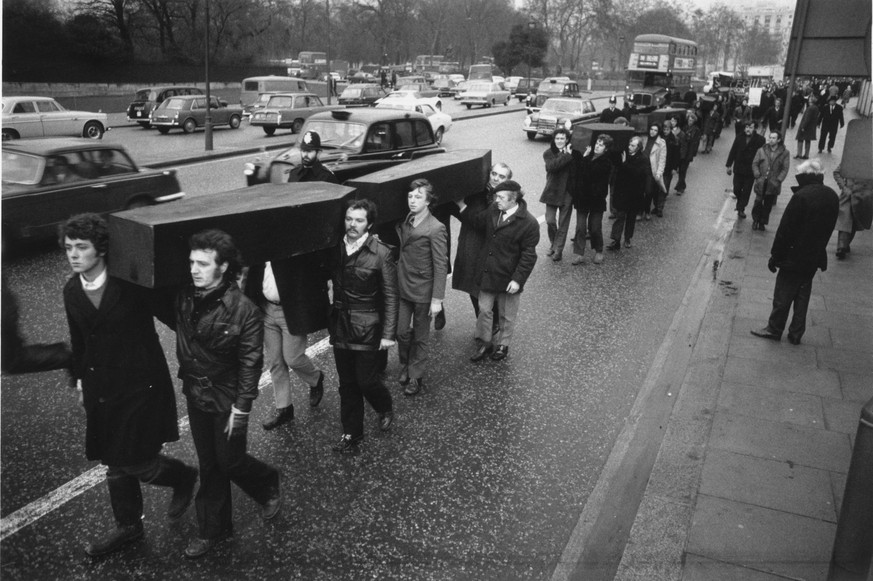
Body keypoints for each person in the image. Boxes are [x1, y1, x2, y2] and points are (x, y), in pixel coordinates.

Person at [60, 213, 197, 558]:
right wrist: (79, 383)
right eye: (68, 248)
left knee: (137, 461)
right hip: (101, 388)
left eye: (81, 247)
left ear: (101, 249)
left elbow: (174, 316)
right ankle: (129, 526)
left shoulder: (130, 283)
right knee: (114, 461)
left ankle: (182, 477)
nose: (73, 254)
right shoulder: (71, 290)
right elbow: (79, 341)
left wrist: (202, 350)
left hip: (141, 385)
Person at [176, 229, 281, 559]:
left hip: (227, 397)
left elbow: (251, 361)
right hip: (196, 392)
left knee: (230, 461)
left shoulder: (244, 309)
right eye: (192, 262)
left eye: (203, 264)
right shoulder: (184, 297)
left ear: (221, 268)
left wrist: (243, 406)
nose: (194, 269)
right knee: (209, 464)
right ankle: (212, 529)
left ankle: (266, 482)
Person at [246, 130, 335, 431]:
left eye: (312, 151)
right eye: (304, 150)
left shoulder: (326, 178)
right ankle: (284, 409)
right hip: (268, 307)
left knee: (293, 357)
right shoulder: (295, 175)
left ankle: (316, 378)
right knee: (275, 363)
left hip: (290, 306)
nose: (307, 156)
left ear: (318, 152)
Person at [328, 199, 398, 453]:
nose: (352, 225)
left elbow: (391, 295)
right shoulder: (335, 247)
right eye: (349, 219)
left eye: (358, 220)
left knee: (366, 381)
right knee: (347, 384)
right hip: (341, 327)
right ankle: (351, 434)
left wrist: (389, 334)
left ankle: (384, 405)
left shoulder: (381, 253)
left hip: (368, 326)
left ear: (369, 223)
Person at [750, 160, 839, 345]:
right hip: (814, 256)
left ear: (804, 176)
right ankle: (796, 333)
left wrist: (776, 256)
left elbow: (786, 230)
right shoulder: (831, 196)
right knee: (802, 295)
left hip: (793, 256)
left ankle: (774, 328)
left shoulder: (801, 197)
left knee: (783, 295)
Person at [458, 181, 539, 362]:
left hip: (509, 278)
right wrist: (462, 207)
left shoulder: (529, 223)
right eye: (496, 197)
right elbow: (477, 222)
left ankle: (503, 345)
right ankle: (485, 343)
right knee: (484, 310)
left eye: (501, 197)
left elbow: (529, 256)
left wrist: (518, 280)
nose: (496, 201)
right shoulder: (494, 210)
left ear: (514, 199)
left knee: (506, 315)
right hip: (488, 273)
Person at [394, 179, 448, 396]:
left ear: (428, 201)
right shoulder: (407, 220)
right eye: (410, 196)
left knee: (421, 335)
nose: (412, 200)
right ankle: (406, 363)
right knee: (400, 331)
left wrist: (437, 299)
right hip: (404, 287)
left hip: (424, 291)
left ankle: (416, 376)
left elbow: (441, 264)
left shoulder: (435, 228)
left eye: (418, 197)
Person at [450, 163, 510, 331]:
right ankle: (485, 323)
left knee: (485, 288)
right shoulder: (478, 190)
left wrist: (462, 206)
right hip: (470, 243)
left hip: (488, 247)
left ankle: (491, 323)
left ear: (508, 180)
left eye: (501, 176)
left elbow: (481, 222)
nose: (496, 178)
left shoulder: (502, 198)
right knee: (471, 284)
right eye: (494, 173)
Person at [572, 135, 613, 264]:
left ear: (606, 149)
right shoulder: (587, 157)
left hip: (596, 200)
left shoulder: (606, 162)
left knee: (595, 228)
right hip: (583, 199)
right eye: (597, 143)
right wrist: (584, 158)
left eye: (601, 145)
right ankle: (579, 253)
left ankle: (598, 250)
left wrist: (584, 160)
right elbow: (578, 173)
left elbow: (592, 173)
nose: (597, 146)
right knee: (580, 227)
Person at [539, 129, 575, 262]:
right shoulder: (548, 153)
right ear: (554, 140)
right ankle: (553, 243)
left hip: (567, 192)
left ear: (567, 140)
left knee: (563, 223)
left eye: (562, 138)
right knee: (550, 220)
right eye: (557, 138)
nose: (560, 141)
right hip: (552, 191)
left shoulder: (573, 153)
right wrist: (566, 155)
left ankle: (558, 250)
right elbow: (552, 166)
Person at [607, 136, 648, 250]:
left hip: (634, 193)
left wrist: (625, 164)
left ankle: (628, 238)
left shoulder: (643, 159)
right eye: (629, 144)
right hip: (622, 192)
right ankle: (616, 240)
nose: (630, 147)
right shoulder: (624, 154)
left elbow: (637, 173)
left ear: (638, 147)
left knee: (631, 217)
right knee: (620, 216)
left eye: (633, 145)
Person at [751, 130, 791, 231]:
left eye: (774, 138)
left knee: (768, 204)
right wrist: (757, 174)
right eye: (770, 137)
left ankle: (762, 222)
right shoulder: (762, 150)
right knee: (758, 202)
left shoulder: (784, 153)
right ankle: (755, 220)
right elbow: (755, 163)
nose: (771, 140)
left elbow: (785, 169)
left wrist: (778, 180)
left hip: (773, 183)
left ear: (779, 140)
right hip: (761, 181)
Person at [725, 121, 766, 219]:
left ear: (754, 128)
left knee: (746, 191)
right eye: (746, 127)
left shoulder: (760, 140)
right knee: (737, 189)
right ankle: (740, 203)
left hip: (750, 170)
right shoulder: (739, 137)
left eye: (750, 127)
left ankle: (741, 208)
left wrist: (760, 170)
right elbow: (733, 151)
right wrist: (728, 165)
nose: (748, 129)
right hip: (738, 169)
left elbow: (762, 155)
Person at [641, 123, 667, 220]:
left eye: (655, 130)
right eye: (651, 129)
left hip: (651, 170)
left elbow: (662, 159)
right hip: (641, 169)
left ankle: (647, 211)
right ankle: (639, 211)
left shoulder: (661, 143)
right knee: (640, 191)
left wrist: (659, 173)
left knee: (648, 191)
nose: (653, 132)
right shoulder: (643, 138)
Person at [795, 94, 820, 159]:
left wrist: (803, 126)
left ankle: (799, 154)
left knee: (800, 139)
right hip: (811, 127)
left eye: (809, 99)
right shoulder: (816, 108)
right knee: (808, 140)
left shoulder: (810, 108)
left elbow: (807, 118)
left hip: (806, 127)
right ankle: (806, 154)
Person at [672, 118, 692, 195]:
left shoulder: (681, 133)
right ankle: (681, 186)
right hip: (673, 155)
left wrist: (682, 157)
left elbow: (684, 146)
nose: (672, 122)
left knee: (682, 172)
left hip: (682, 156)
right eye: (671, 120)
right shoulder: (669, 131)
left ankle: (680, 188)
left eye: (674, 121)